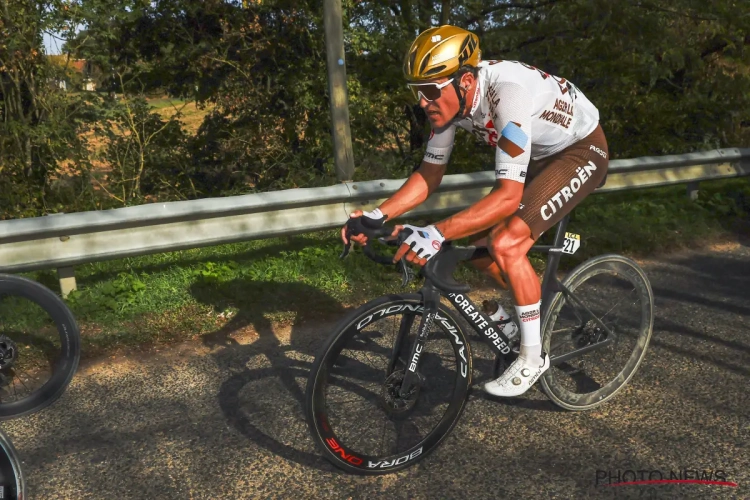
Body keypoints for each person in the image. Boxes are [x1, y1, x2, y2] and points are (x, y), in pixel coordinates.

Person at [341, 25, 609, 397]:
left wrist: (434, 233)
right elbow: (430, 174)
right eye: (416, 92)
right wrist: (377, 215)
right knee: (477, 245)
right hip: (539, 153)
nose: (422, 102)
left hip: (580, 150)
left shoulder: (507, 96)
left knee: (507, 242)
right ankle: (526, 311)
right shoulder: (449, 107)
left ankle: (533, 357)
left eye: (430, 91)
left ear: (465, 81)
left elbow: (505, 195)